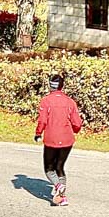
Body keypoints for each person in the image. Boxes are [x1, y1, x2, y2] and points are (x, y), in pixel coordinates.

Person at [33, 73, 83, 206]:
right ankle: (62, 197)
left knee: (49, 169)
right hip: (67, 140)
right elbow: (77, 123)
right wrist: (75, 130)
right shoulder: (70, 102)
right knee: (60, 167)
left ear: (50, 86)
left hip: (51, 139)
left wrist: (38, 133)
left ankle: (58, 185)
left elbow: (42, 120)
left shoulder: (46, 101)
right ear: (62, 85)